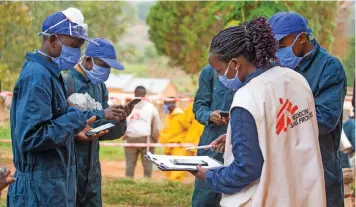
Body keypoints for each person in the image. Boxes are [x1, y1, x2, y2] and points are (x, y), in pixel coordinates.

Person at [193, 16, 326, 207]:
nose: (221, 77)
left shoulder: (248, 96)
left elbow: (246, 170)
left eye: (220, 71)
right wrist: (236, 137)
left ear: (235, 64)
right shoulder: (296, 80)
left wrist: (210, 175)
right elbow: (285, 133)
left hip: (266, 198)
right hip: (303, 195)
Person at [7, 8, 126, 207]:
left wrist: (89, 116)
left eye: (80, 47)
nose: (76, 53)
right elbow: (31, 136)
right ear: (53, 40)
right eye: (73, 45)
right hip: (38, 190)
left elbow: (60, 119)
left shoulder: (51, 75)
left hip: (53, 185)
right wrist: (75, 120)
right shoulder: (37, 76)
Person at [269, 12, 347, 207]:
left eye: (282, 46)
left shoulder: (329, 68)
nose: (277, 53)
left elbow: (324, 119)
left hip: (319, 166)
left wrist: (272, 127)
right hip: (285, 168)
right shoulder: (277, 68)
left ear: (302, 38)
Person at [63, 38, 129, 207]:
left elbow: (103, 132)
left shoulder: (100, 87)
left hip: (92, 172)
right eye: (103, 65)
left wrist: (118, 119)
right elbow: (57, 127)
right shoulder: (66, 83)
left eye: (109, 68)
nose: (106, 71)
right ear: (87, 60)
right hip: (68, 168)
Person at [192, 67, 234, 205]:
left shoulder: (251, 68)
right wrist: (209, 115)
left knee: (236, 193)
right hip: (211, 143)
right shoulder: (209, 72)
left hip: (240, 141)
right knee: (205, 195)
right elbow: (199, 106)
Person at [124, 86, 160, 178]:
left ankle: (128, 181)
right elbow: (156, 126)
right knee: (148, 163)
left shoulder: (127, 106)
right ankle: (147, 182)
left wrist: (123, 135)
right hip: (146, 139)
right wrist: (155, 139)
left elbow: (122, 122)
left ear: (134, 93)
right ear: (145, 94)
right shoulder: (151, 107)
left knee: (130, 164)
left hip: (130, 138)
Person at [159, 97, 187, 181]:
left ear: (171, 105)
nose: (164, 106)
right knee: (168, 169)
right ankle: (170, 186)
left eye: (165, 104)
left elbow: (189, 129)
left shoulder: (181, 115)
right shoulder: (168, 116)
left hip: (178, 147)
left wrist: (183, 141)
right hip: (168, 147)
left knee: (176, 171)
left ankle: (175, 186)